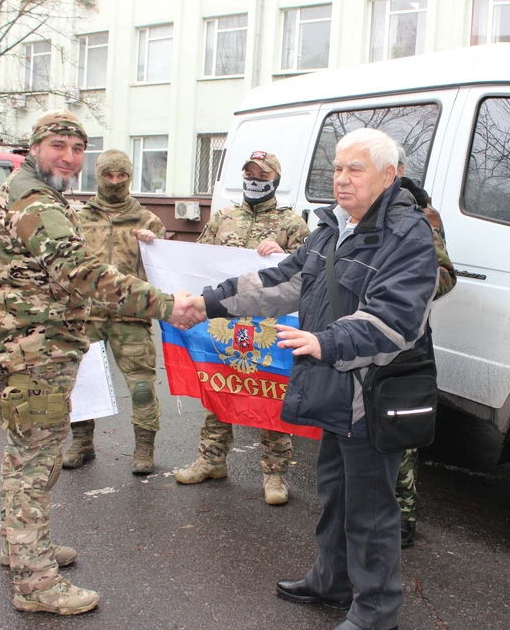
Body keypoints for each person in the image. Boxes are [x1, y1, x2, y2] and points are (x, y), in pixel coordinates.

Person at [178, 128, 438, 630]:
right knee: (336, 491)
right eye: (337, 169)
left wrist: (329, 341)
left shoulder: (407, 234)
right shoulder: (331, 228)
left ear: (389, 175)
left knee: (371, 507)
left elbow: (398, 319)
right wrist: (208, 302)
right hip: (332, 387)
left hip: (371, 391)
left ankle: (377, 611)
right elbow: (283, 282)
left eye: (354, 169)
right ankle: (332, 580)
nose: (341, 179)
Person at [0, 110, 190, 615]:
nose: (70, 158)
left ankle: (20, 546)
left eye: (78, 150)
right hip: (37, 352)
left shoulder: (34, 192)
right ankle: (35, 584)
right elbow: (81, 272)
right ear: (35, 147)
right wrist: (166, 304)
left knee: (24, 454)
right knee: (35, 461)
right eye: (59, 146)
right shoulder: (33, 200)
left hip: (34, 347)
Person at [174, 150, 310, 505]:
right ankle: (211, 459)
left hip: (269, 324)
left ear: (274, 181)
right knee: (220, 385)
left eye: (261, 176)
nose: (253, 181)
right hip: (224, 321)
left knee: (270, 395)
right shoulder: (223, 218)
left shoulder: (293, 225)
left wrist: (282, 253)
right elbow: (197, 263)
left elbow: (309, 274)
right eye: (248, 174)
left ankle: (275, 475)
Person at [63, 150, 168, 475]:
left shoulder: (147, 221)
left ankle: (144, 448)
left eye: (121, 176)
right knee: (81, 382)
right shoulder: (77, 218)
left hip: (131, 317)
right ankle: (82, 442)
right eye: (108, 176)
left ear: (130, 177)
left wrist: (153, 244)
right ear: (98, 176)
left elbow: (162, 270)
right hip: (86, 316)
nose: (114, 182)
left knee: (140, 386)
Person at [394, 147, 457, 548]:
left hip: (406, 341)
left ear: (397, 171)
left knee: (401, 425)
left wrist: (404, 288)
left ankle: (402, 513)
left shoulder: (423, 214)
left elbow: (446, 277)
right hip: (355, 339)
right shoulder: (350, 212)